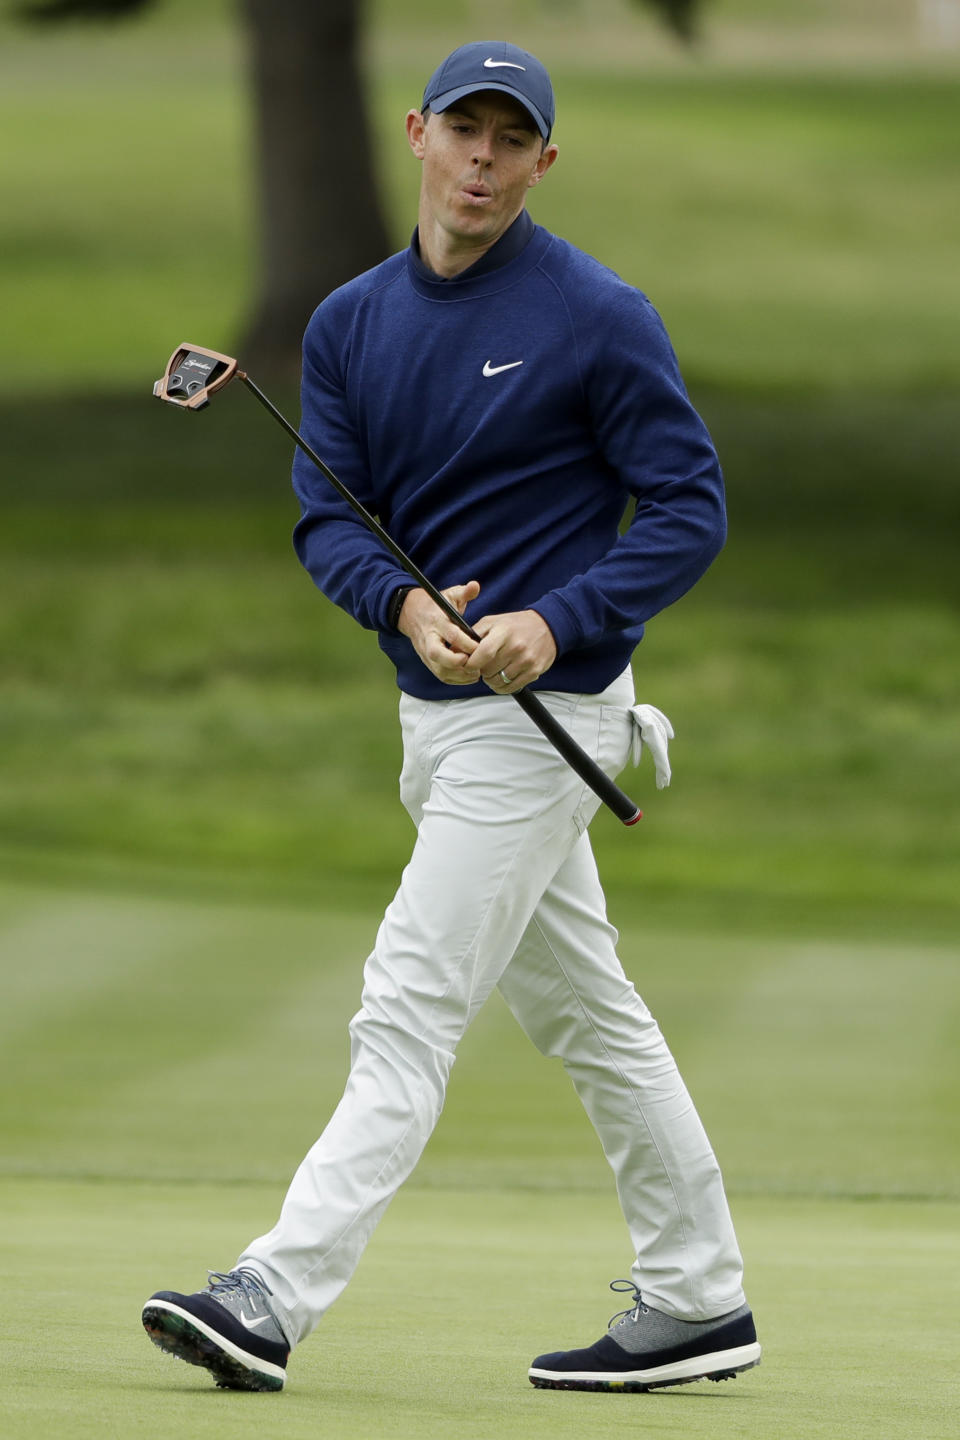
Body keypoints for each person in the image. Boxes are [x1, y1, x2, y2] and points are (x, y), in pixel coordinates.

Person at [142, 40, 760, 1396]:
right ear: (418, 133)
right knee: (593, 1020)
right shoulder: (352, 323)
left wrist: (557, 621)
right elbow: (330, 518)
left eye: (510, 138)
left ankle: (272, 1294)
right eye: (462, 129)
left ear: (544, 160)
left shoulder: (598, 312)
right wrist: (407, 612)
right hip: (440, 716)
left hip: (555, 716)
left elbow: (690, 507)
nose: (481, 158)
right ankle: (703, 1295)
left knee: (409, 999)